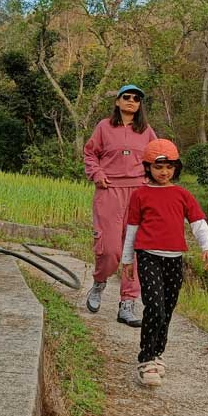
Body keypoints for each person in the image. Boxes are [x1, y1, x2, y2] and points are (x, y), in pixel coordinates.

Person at [121, 138, 208, 386]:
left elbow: (198, 223)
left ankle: (158, 353)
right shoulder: (140, 195)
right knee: (154, 306)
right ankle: (146, 359)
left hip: (175, 259)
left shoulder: (183, 194)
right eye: (158, 167)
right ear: (148, 168)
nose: (164, 172)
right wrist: (127, 259)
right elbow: (132, 228)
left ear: (176, 167)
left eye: (169, 167)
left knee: (167, 309)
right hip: (148, 256)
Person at [83, 84, 157, 327]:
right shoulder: (104, 127)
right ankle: (100, 281)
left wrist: (151, 180)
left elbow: (157, 157)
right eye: (127, 97)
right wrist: (97, 173)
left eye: (136, 99)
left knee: (133, 249)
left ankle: (127, 303)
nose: (131, 101)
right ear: (117, 101)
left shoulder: (146, 131)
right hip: (109, 190)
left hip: (138, 192)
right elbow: (90, 153)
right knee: (110, 248)